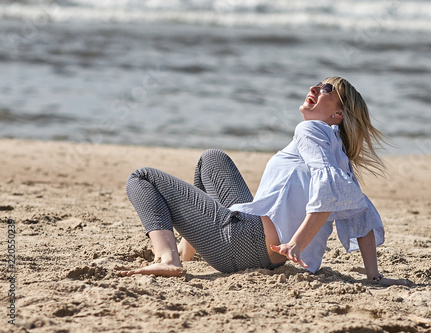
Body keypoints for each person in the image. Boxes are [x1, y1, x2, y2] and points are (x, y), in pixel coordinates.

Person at [118, 76, 411, 286]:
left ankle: (168, 258)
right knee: (212, 158)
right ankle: (187, 250)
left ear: (338, 114)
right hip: (267, 255)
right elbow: (362, 214)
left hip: (244, 242)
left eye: (326, 89)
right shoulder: (339, 156)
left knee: (141, 177)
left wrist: (297, 242)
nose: (314, 88)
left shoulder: (310, 130)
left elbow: (329, 192)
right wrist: (373, 274)